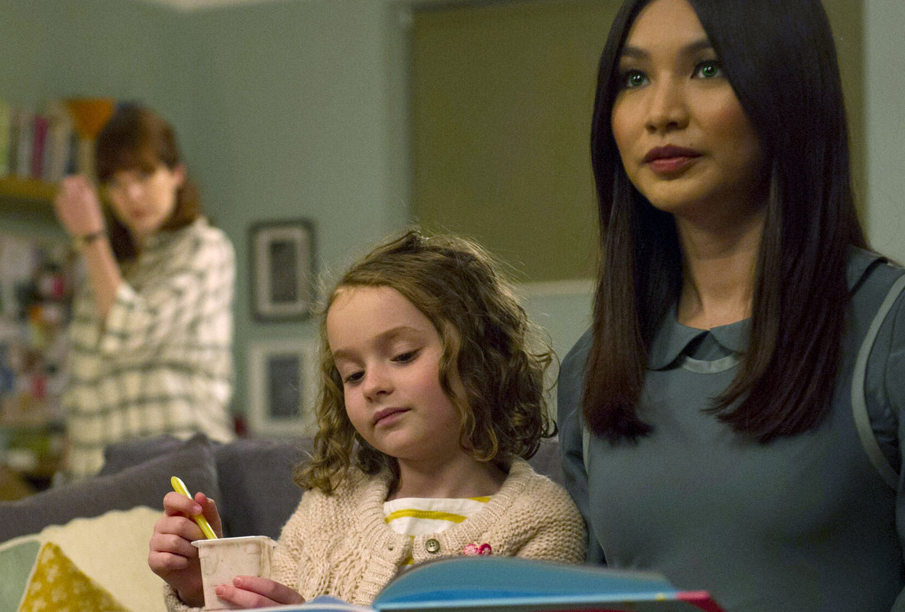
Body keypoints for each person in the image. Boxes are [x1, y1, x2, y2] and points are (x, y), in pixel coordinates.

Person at [557, 0, 905, 612]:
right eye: (633, 79)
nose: (660, 111)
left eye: (707, 68)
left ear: (787, 93)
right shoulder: (592, 369)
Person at [150, 229, 586, 609]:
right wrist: (201, 588)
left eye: (403, 355)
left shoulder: (542, 520)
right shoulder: (327, 507)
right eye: (353, 375)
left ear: (480, 357)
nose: (373, 385)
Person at [54, 104, 235, 479]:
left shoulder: (205, 248)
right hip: (99, 479)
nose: (132, 195)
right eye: (117, 184)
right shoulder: (105, 273)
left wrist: (91, 238)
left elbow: (131, 332)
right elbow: (81, 390)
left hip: (180, 474)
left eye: (144, 175)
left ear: (176, 174)